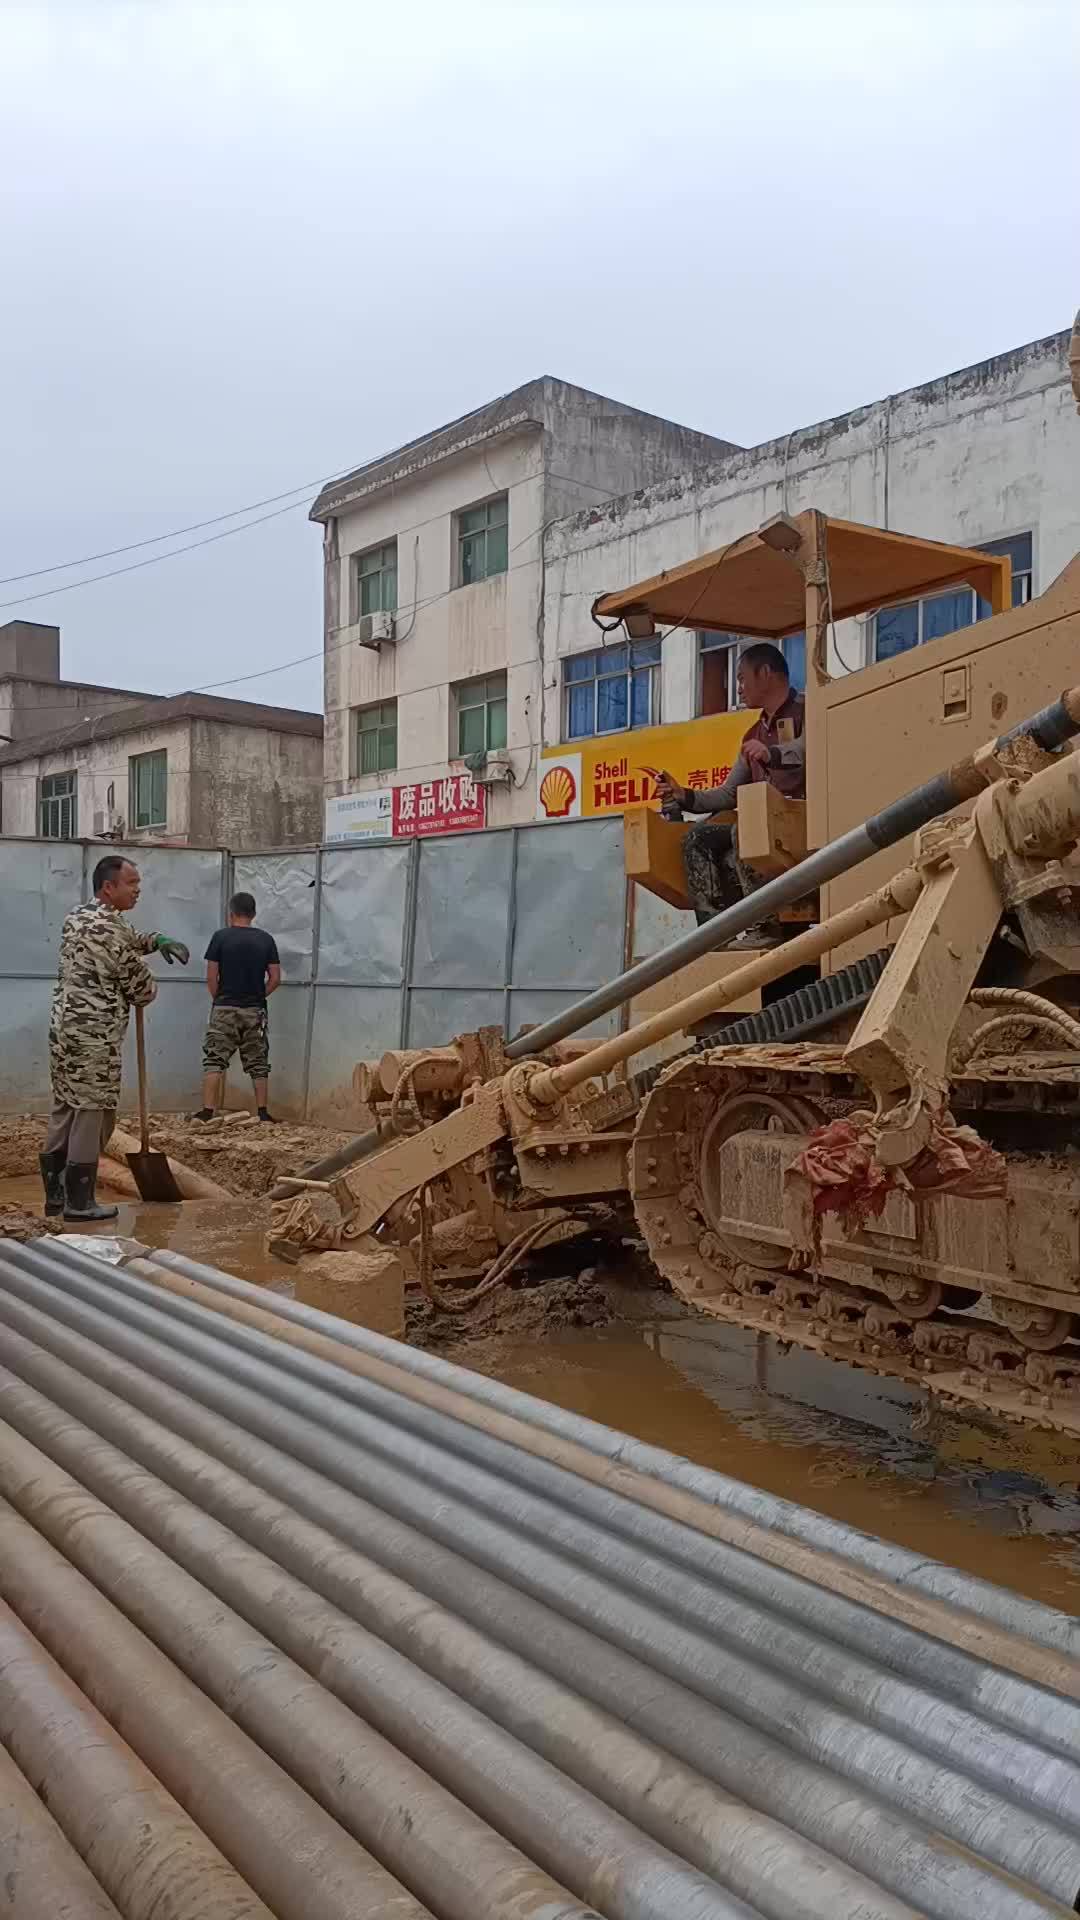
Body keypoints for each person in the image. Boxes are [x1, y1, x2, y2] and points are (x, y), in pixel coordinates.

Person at [41, 855, 191, 1221]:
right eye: (132, 883)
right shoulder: (112, 930)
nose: (138, 890)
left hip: (64, 1031)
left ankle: (56, 1197)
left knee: (66, 1108)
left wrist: (154, 940)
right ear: (109, 887)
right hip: (94, 1037)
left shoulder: (78, 917)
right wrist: (146, 974)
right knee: (94, 1114)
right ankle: (80, 1202)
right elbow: (141, 991)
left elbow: (120, 941)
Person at [655, 643, 805, 934]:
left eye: (741, 678)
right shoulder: (752, 734)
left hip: (803, 820)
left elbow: (807, 748)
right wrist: (682, 795)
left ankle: (764, 928)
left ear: (765, 672)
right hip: (764, 825)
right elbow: (728, 795)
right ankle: (713, 933)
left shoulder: (810, 710)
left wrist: (772, 754)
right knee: (697, 838)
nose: (738, 688)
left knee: (746, 830)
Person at [194, 892, 281, 1123]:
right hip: (255, 1010)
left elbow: (212, 975)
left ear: (230, 913)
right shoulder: (266, 940)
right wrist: (258, 996)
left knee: (214, 1059)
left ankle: (207, 1111)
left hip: (224, 1008)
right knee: (258, 1060)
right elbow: (275, 977)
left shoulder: (220, 937)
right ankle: (262, 1112)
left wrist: (219, 999)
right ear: (253, 914)